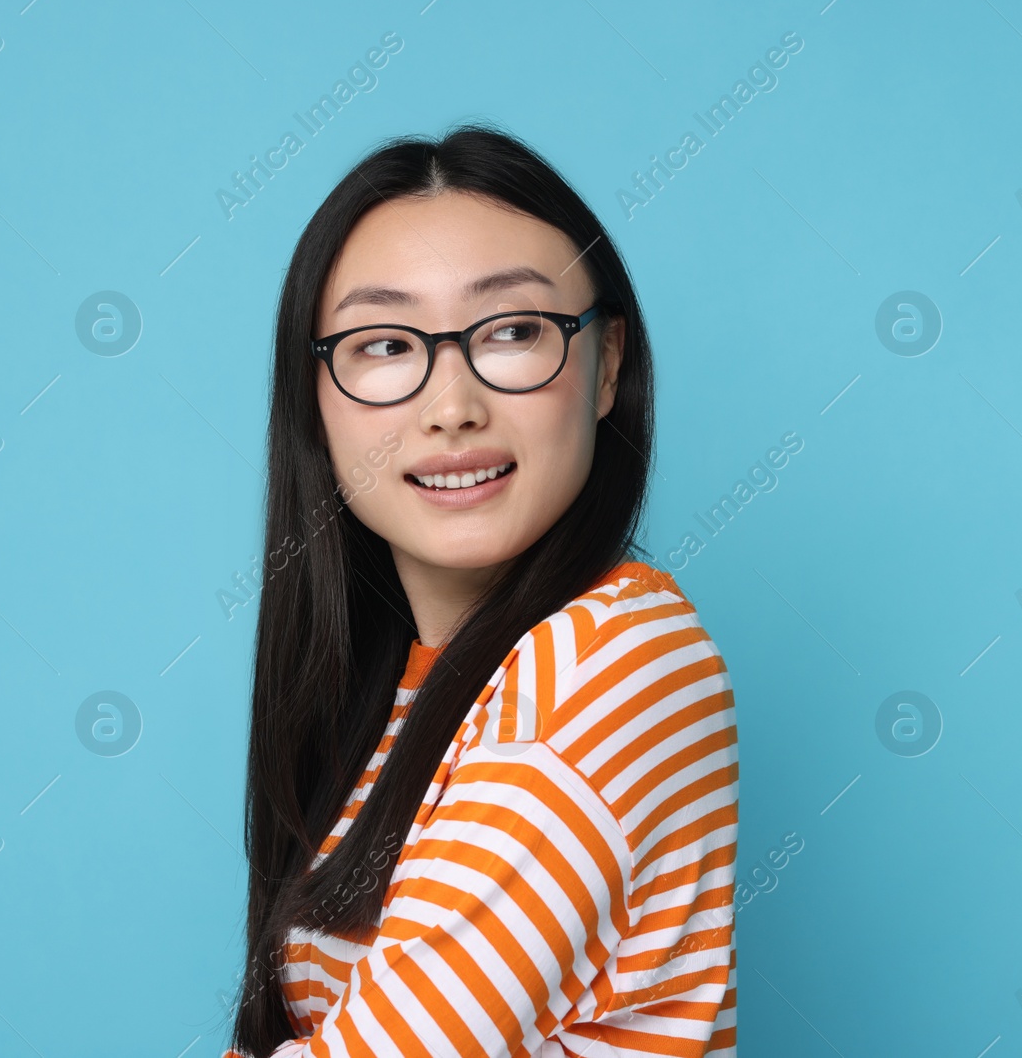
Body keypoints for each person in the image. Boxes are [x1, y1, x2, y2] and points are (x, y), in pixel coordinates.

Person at [222, 123, 738, 1058]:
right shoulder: (385, 691)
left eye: (511, 331)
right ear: (316, 394)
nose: (450, 404)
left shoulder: (610, 662)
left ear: (608, 362)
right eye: (384, 345)